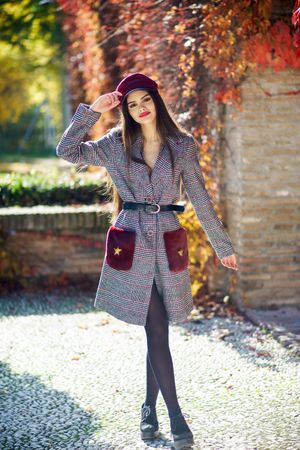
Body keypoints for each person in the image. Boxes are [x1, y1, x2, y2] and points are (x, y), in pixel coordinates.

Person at [56, 72, 238, 450]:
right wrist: (92, 111)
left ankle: (148, 410)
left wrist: (222, 246)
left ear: (157, 100)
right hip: (132, 241)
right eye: (131, 104)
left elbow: (200, 199)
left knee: (158, 331)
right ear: (125, 109)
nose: (139, 109)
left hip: (168, 239)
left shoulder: (181, 145)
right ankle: (176, 417)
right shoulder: (115, 144)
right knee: (155, 327)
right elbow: (67, 151)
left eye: (145, 100)